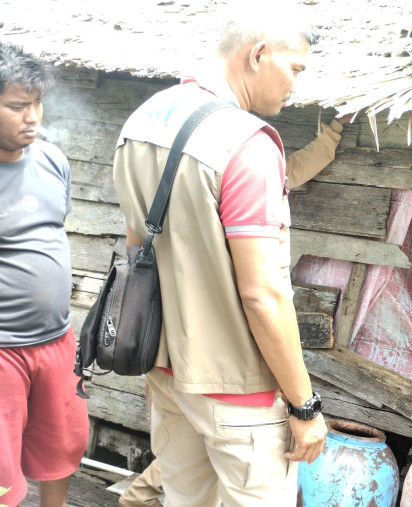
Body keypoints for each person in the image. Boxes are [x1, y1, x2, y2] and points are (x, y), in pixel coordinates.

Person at [112, 5, 338, 505]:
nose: (295, 86)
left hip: (166, 372)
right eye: (295, 68)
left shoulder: (141, 121)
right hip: (237, 394)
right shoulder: (247, 145)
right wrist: (304, 407)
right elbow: (262, 294)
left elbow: (136, 248)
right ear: (258, 54)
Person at [0, 42, 90, 507]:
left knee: (62, 446)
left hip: (57, 340)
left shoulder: (53, 160)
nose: (33, 116)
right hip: (2, 352)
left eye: (37, 103)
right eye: (18, 106)